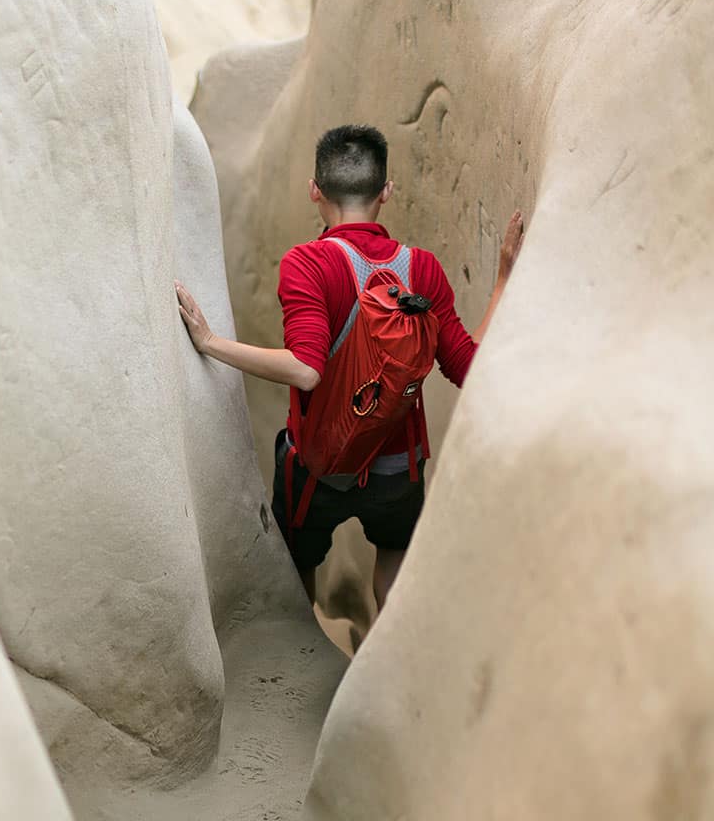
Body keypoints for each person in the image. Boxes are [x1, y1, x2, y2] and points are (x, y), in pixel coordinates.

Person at [176, 123, 524, 611]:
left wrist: (211, 343)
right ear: (386, 192)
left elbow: (305, 370)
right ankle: (386, 668)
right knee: (395, 563)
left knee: (298, 574)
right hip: (398, 470)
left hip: (320, 470)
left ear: (314, 190)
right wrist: (504, 279)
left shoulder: (308, 264)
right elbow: (469, 368)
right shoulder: (421, 269)